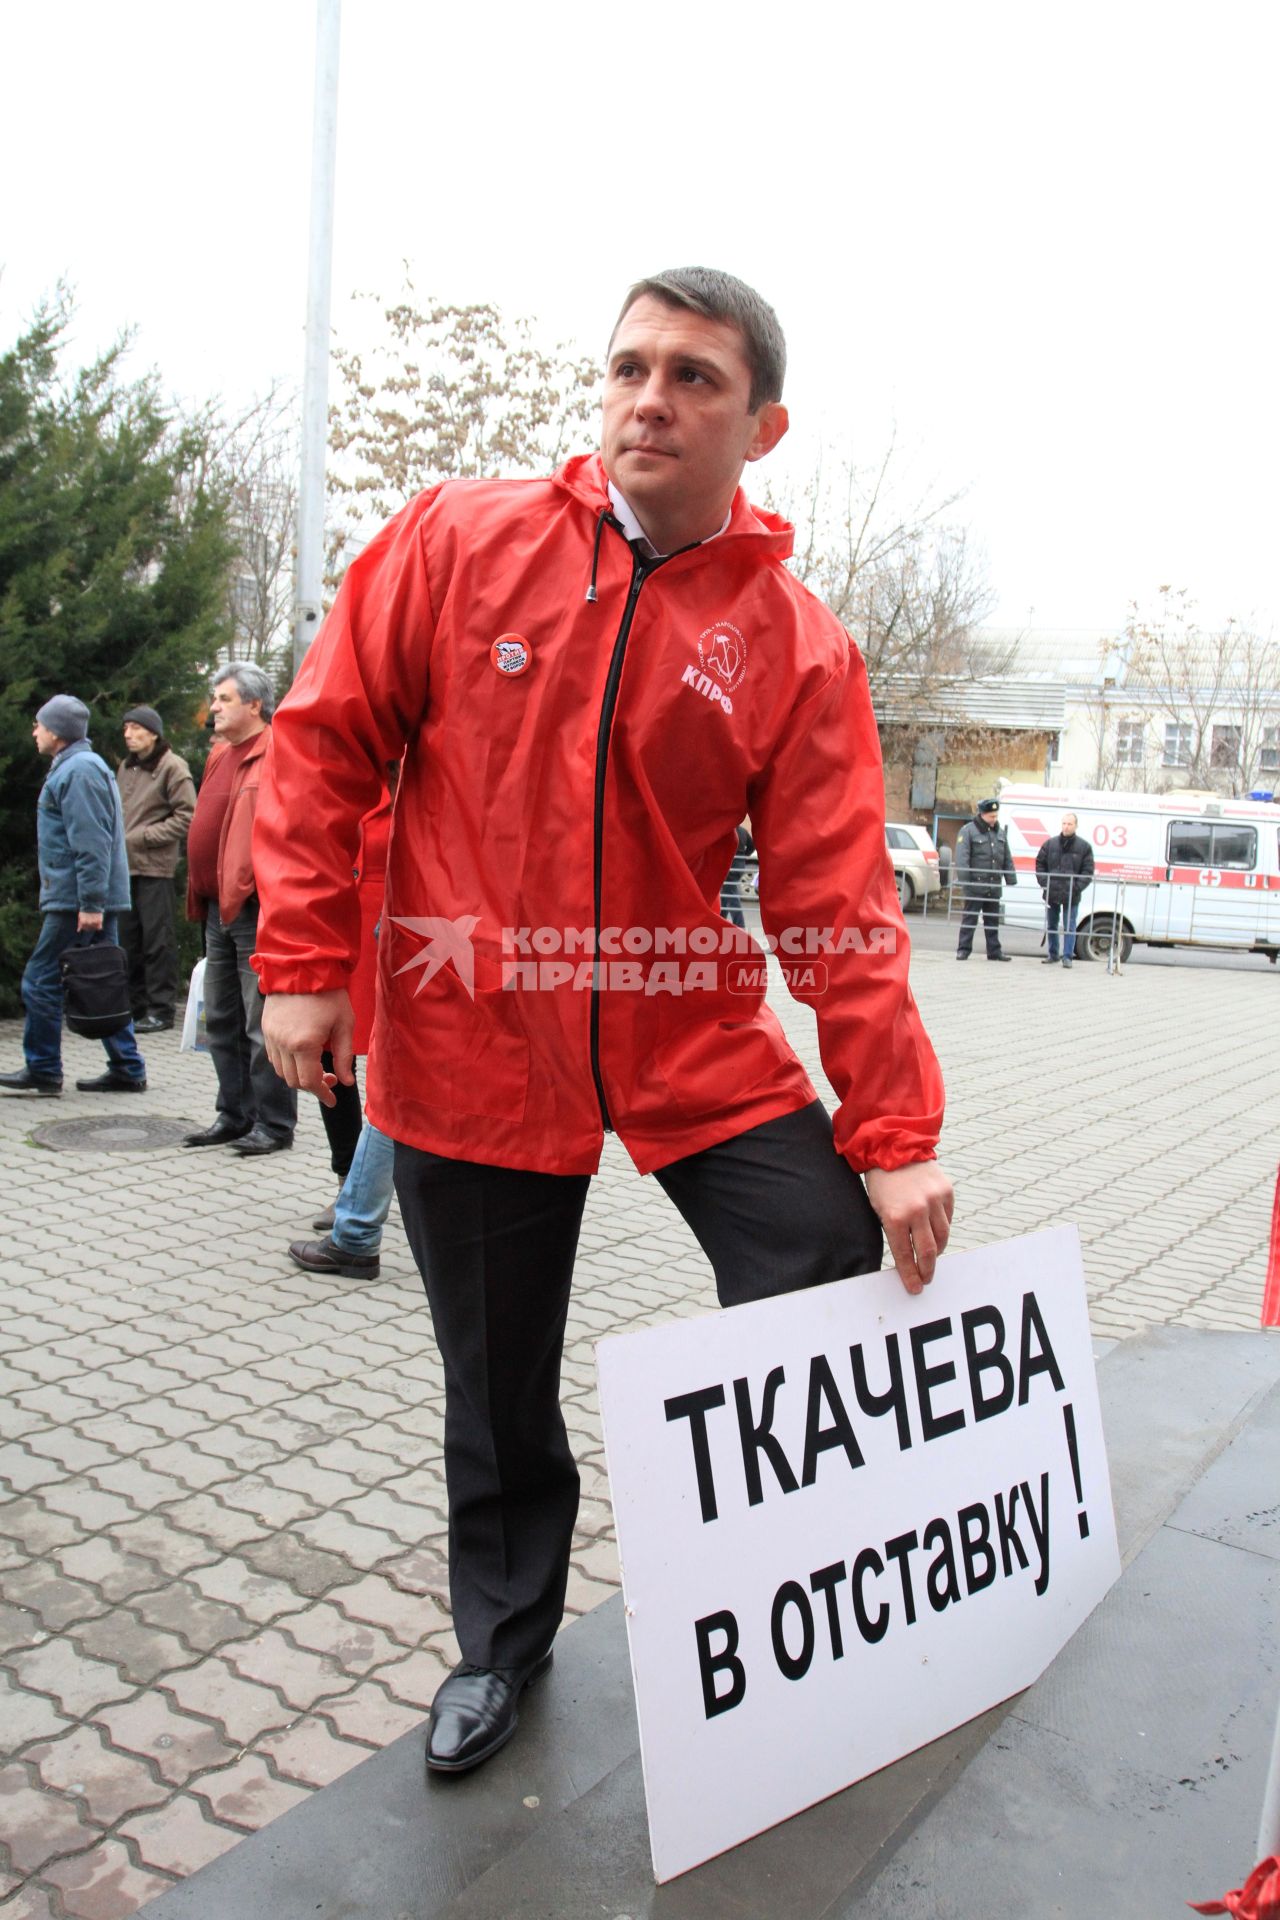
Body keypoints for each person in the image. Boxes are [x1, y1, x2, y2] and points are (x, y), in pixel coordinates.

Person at [252, 267, 953, 1776]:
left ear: (762, 426)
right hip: (470, 1037)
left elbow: (840, 913)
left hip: (680, 1029)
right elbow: (316, 751)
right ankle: (503, 1646)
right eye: (631, 366)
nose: (652, 396)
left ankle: (804, 1592)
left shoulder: (795, 643)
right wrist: (303, 962)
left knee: (824, 1249)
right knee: (496, 1384)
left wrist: (893, 1139)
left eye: (695, 377)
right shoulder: (459, 543)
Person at [0, 695, 147, 1097]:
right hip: (82, 899)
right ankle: (127, 1067)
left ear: (57, 731)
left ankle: (44, 1069)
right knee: (103, 981)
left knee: (40, 980)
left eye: (39, 724)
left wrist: (91, 905)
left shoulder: (79, 771)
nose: (34, 731)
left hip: (77, 902)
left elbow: (91, 843)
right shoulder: (78, 766)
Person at [181, 665, 296, 1156]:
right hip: (216, 909)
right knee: (221, 1020)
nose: (215, 708)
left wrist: (258, 888)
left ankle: (274, 1124)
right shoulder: (219, 754)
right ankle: (233, 1115)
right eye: (214, 698)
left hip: (252, 907)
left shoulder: (276, 752)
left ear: (254, 704)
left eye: (224, 699)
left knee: (258, 1023)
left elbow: (287, 828)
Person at [116, 705, 196, 1032]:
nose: (128, 735)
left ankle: (161, 1010)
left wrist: (146, 837)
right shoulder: (126, 767)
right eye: (126, 729)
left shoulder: (172, 767)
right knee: (128, 941)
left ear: (153, 732)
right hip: (124, 868)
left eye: (136, 728)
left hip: (155, 867)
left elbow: (188, 815)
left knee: (157, 941)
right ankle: (134, 1007)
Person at [955, 798, 1016, 961]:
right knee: (970, 919)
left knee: (992, 921)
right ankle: (963, 949)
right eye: (991, 816)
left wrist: (1011, 878)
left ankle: (994, 951)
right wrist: (966, 882)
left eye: (995, 816)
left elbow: (1006, 856)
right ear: (982, 815)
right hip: (975, 884)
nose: (994, 819)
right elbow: (962, 858)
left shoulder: (999, 832)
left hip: (993, 885)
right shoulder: (968, 831)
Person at [1036, 811, 1094, 968]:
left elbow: (1088, 872)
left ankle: (1067, 956)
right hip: (1052, 891)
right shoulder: (1050, 844)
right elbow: (1040, 864)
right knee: (1052, 925)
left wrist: (1076, 888)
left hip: (1071, 895)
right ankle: (1053, 954)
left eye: (1070, 824)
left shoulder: (1084, 847)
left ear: (1076, 826)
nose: (1066, 827)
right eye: (1064, 823)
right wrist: (1045, 882)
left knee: (1069, 926)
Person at [719, 821, 754, 928]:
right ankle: (721, 919)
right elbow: (752, 846)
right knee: (726, 894)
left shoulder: (729, 832)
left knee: (731, 896)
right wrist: (744, 856)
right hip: (739, 864)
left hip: (730, 865)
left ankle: (740, 925)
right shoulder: (743, 831)